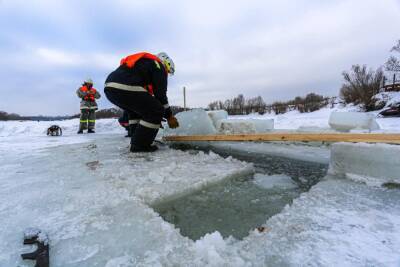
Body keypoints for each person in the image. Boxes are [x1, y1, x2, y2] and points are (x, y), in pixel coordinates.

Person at [104, 52, 179, 152]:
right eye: (168, 72)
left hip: (110, 87)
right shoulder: (159, 65)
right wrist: (168, 116)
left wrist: (152, 119)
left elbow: (146, 100)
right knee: (157, 110)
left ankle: (136, 139)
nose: (167, 75)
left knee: (136, 112)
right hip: (125, 84)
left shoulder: (144, 64)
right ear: (166, 63)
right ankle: (140, 145)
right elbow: (160, 95)